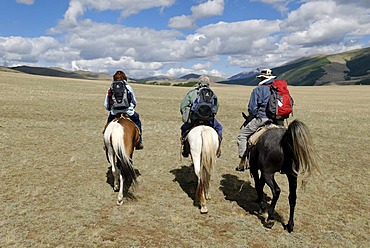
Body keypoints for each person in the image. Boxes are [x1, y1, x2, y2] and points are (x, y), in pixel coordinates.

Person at [235, 68, 277, 171]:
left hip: (262, 119)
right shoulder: (277, 88)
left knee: (242, 136)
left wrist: (253, 115)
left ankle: (243, 161)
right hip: (276, 120)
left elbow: (252, 108)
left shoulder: (258, 90)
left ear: (262, 78)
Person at [180, 75, 222, 157]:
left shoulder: (192, 93)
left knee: (184, 128)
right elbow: (216, 107)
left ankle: (185, 149)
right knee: (219, 128)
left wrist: (186, 115)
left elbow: (183, 106)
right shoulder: (212, 94)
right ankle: (218, 149)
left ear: (199, 83)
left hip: (194, 119)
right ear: (208, 83)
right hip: (208, 120)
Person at [104, 70, 143, 150]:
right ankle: (139, 142)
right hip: (128, 111)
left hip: (114, 112)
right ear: (125, 78)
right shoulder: (128, 87)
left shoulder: (110, 88)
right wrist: (131, 107)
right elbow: (134, 101)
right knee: (137, 121)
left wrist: (110, 109)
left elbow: (106, 104)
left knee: (107, 126)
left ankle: (106, 143)